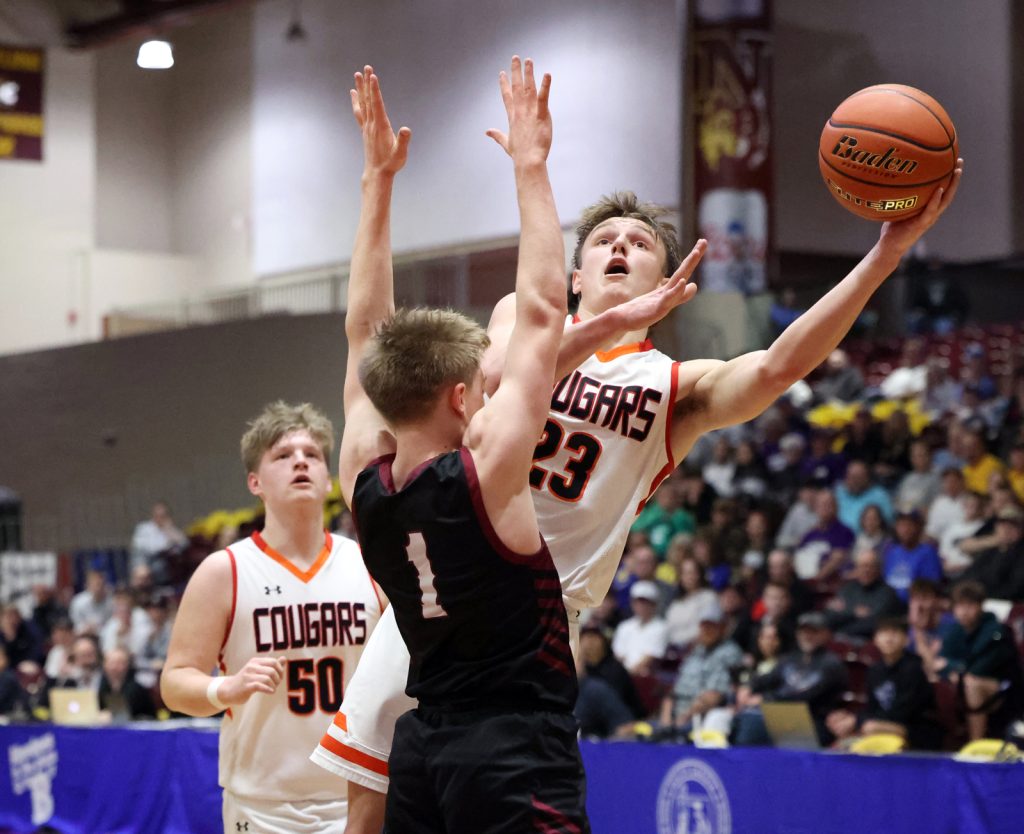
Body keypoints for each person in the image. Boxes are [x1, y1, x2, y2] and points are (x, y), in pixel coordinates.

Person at [319, 62, 963, 823]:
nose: (621, 246)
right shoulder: (520, 319)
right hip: (448, 580)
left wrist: (884, 256)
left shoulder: (676, 387)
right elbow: (490, 372)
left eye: (640, 242)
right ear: (576, 276)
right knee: (370, 808)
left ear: (668, 282)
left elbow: (780, 365)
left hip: (540, 615)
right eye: (603, 241)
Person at [315, 58, 593, 833]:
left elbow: (365, 329)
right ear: (462, 399)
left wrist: (378, 181)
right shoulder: (490, 470)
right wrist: (531, 165)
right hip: (514, 746)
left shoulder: (361, 478)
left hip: (423, 748)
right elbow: (544, 309)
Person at [160, 401, 384, 833]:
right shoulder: (224, 571)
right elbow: (174, 683)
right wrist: (225, 688)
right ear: (255, 482)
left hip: (357, 795)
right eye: (283, 455)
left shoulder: (371, 563)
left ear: (327, 479)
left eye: (312, 454)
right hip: (262, 804)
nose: (300, 461)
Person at [732, 611, 848, 747]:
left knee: (752, 724)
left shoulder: (831, 664)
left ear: (826, 634)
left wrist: (765, 699)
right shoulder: (790, 659)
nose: (807, 636)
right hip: (780, 715)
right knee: (739, 717)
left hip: (811, 720)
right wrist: (748, 686)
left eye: (814, 632)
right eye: (803, 631)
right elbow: (767, 678)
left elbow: (805, 696)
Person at [826, 617, 941, 750]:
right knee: (839, 722)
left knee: (870, 727)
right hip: (885, 723)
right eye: (884, 633)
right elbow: (871, 707)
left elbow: (902, 712)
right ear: (875, 640)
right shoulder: (875, 670)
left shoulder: (914, 668)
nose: (889, 639)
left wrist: (858, 721)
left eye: (895, 633)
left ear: (906, 640)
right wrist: (849, 718)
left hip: (915, 729)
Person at [938, 580, 1022, 740]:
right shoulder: (956, 630)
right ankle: (949, 736)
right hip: (966, 683)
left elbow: (978, 669)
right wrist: (952, 669)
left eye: (970, 605)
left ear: (981, 606)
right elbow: (939, 663)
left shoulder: (996, 630)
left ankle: (976, 741)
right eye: (959, 606)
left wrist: (953, 668)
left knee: (972, 684)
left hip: (1005, 691)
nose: (964, 611)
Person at [659, 606, 742, 737]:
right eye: (703, 625)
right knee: (631, 732)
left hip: (700, 718)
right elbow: (673, 692)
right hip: (674, 716)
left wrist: (680, 721)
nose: (706, 630)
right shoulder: (696, 651)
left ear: (722, 628)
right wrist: (666, 720)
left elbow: (713, 696)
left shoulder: (729, 653)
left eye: (711, 626)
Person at [826, 548, 904, 641]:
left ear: (879, 569)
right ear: (856, 568)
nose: (866, 570)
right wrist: (854, 613)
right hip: (839, 637)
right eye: (862, 566)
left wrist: (844, 616)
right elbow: (830, 616)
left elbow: (873, 623)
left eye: (871, 566)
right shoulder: (848, 589)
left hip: (866, 641)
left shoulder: (888, 593)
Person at [612, 581, 670, 675]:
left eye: (646, 602)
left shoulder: (661, 628)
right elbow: (618, 656)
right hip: (623, 675)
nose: (641, 606)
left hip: (646, 676)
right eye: (638, 602)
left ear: (654, 604)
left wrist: (627, 675)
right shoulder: (624, 626)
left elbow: (650, 658)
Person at [130, 501, 188, 582]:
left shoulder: (170, 530)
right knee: (139, 564)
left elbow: (184, 544)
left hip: (161, 561)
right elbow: (140, 546)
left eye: (162, 516)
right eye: (157, 515)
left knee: (162, 565)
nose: (159, 518)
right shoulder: (144, 528)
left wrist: (169, 530)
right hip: (144, 557)